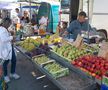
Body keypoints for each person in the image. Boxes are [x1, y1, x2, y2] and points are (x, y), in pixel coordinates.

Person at [0, 18, 20, 83]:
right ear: (5, 23)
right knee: (5, 63)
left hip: (9, 48)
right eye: (9, 23)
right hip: (5, 49)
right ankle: (5, 76)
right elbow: (3, 39)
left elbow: (7, 37)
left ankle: (12, 73)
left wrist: (10, 34)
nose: (9, 25)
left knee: (14, 60)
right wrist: (12, 37)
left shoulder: (5, 29)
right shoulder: (1, 30)